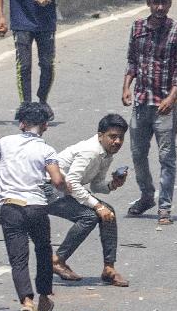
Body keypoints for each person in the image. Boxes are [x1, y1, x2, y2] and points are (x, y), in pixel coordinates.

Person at [0, 101, 69, 311]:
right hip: (36, 207)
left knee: (18, 258)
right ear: (45, 126)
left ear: (21, 124)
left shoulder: (5, 142)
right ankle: (45, 297)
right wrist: (65, 185)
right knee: (43, 249)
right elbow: (57, 181)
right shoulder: (47, 151)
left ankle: (27, 302)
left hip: (10, 208)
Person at [120, 0, 177, 224]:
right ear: (148, 3)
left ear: (170, 3)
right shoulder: (138, 27)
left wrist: (172, 97)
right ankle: (147, 195)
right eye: (155, 3)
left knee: (166, 158)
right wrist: (126, 87)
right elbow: (132, 60)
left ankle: (165, 208)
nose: (160, 7)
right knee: (138, 154)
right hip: (140, 103)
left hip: (164, 106)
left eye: (165, 3)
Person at [49, 113, 131, 287]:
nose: (117, 142)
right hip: (48, 191)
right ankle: (57, 260)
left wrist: (112, 184)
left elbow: (96, 185)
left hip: (64, 189)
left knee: (108, 212)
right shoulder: (91, 152)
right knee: (90, 216)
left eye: (120, 138)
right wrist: (97, 206)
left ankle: (109, 268)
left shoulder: (106, 153)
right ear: (100, 135)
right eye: (112, 137)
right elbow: (71, 183)